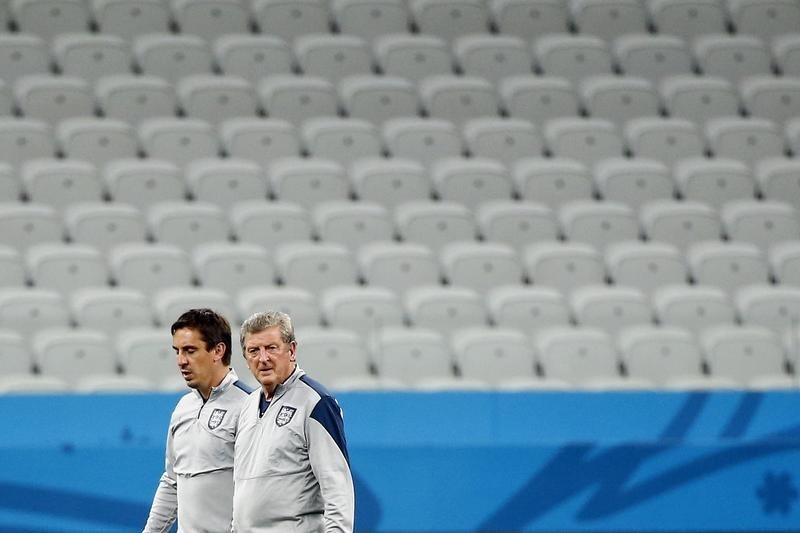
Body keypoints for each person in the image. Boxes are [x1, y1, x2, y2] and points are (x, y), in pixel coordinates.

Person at [233, 310, 355, 532]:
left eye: (271, 348)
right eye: (253, 350)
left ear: (292, 350)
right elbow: (243, 486)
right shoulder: (247, 405)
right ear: (245, 358)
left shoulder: (316, 403)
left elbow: (337, 485)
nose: (263, 358)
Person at [143, 308, 253, 533]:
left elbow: (258, 488)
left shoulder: (249, 406)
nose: (181, 361)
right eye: (177, 351)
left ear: (218, 351)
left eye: (190, 351)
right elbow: (172, 481)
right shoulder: (183, 407)